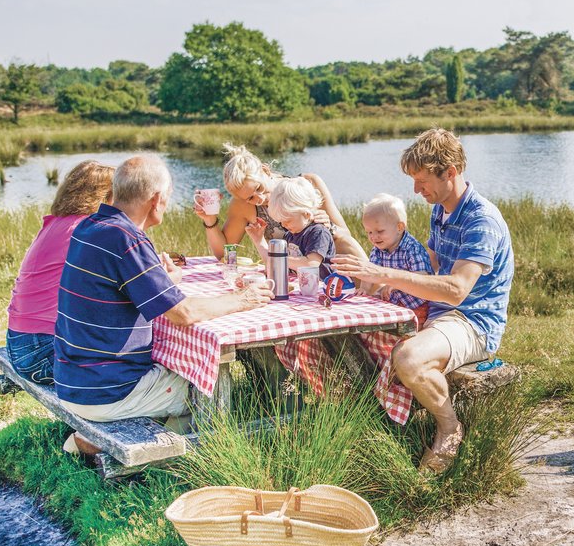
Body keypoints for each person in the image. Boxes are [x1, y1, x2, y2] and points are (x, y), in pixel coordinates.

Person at [54, 155, 273, 451]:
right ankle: (154, 453)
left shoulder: (90, 227)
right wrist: (243, 299)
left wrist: (163, 280)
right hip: (106, 390)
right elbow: (183, 313)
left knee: (183, 367)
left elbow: (120, 288)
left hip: (71, 379)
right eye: (168, 197)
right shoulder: (127, 239)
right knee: (203, 384)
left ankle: (101, 437)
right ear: (156, 200)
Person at [332, 128, 514, 473]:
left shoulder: (481, 220)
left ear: (450, 173)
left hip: (471, 321)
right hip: (438, 314)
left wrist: (383, 274)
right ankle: (375, 426)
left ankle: (449, 426)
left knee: (409, 357)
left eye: (422, 180)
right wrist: (383, 282)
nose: (416, 190)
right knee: (352, 334)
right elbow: (431, 262)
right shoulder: (441, 210)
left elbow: (457, 289)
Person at [5, 160, 116, 385]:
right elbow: (123, 286)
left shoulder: (56, 224)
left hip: (20, 343)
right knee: (133, 358)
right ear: (105, 197)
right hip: (43, 352)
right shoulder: (85, 230)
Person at [195, 143, 364, 260]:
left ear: (265, 170)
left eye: (259, 188)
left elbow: (346, 237)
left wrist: (329, 227)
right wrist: (209, 221)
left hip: (328, 267)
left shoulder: (309, 184)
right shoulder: (243, 206)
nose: (259, 199)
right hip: (287, 274)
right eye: (250, 198)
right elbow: (225, 254)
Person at [359, 193, 433, 323]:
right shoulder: (378, 249)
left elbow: (422, 276)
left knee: (408, 327)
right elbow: (369, 271)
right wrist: (364, 289)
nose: (373, 237)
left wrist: (397, 283)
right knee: (369, 308)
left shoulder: (412, 248)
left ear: (399, 227)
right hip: (394, 303)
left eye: (380, 231)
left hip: (416, 305)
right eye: (369, 232)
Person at [245, 177, 336, 277]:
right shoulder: (290, 235)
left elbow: (310, 264)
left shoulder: (318, 232)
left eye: (287, 220)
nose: (283, 225)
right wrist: (259, 241)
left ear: (306, 214)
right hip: (299, 287)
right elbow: (272, 263)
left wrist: (278, 258)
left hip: (323, 288)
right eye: (280, 222)